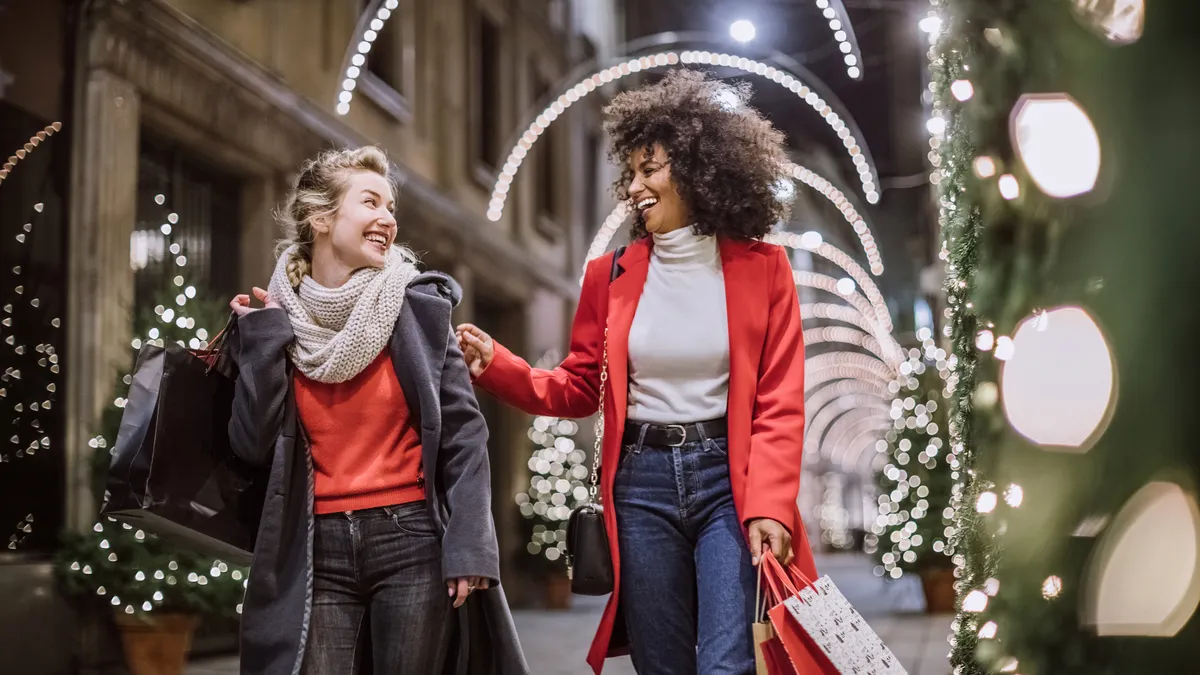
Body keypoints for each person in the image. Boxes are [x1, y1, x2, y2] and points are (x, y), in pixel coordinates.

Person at [456, 69, 817, 675]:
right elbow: (578, 386)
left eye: (651, 169)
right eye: (631, 173)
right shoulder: (610, 275)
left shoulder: (765, 269)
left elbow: (779, 400)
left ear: (702, 169)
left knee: (728, 664)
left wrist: (772, 506)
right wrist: (501, 368)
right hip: (640, 487)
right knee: (661, 665)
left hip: (730, 485)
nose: (636, 187)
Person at [226, 146, 528, 675]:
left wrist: (471, 546)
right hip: (315, 547)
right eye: (371, 203)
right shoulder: (276, 318)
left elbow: (465, 438)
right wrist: (262, 342)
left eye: (391, 208)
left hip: (411, 539)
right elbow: (250, 444)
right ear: (320, 218)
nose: (387, 219)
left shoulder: (418, 309)